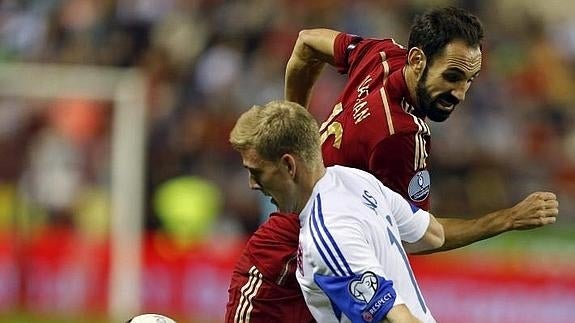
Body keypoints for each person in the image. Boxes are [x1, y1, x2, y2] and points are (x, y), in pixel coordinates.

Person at [284, 6, 558, 252]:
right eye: (452, 77)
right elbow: (419, 238)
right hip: (306, 259)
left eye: (469, 80)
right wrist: (509, 218)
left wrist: (294, 128)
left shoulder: (383, 55)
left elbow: (307, 41)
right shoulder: (401, 134)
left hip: (291, 225)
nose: (460, 94)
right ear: (417, 60)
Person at [229, 100, 445, 322]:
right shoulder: (356, 180)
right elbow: (433, 235)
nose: (252, 184)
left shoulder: (325, 236)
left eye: (257, 172)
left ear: (289, 166)